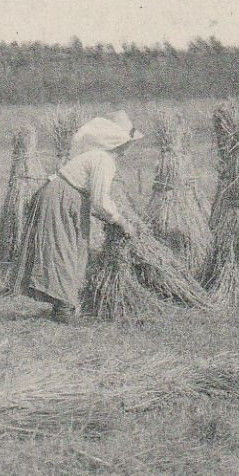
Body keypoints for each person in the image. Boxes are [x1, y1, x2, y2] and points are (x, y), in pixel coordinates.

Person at [12, 110, 143, 323]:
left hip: (66, 197)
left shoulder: (99, 156)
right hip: (61, 198)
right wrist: (121, 222)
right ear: (119, 142)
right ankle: (64, 309)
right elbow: (100, 200)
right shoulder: (103, 160)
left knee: (73, 248)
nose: (130, 147)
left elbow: (95, 198)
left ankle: (64, 304)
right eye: (129, 142)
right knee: (62, 249)